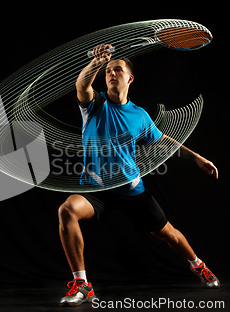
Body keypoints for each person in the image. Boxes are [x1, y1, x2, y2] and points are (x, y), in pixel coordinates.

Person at [58, 44, 220, 307]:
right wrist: (97, 62)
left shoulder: (140, 115)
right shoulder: (95, 105)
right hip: (98, 188)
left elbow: (164, 142)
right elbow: (81, 85)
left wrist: (198, 159)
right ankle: (83, 284)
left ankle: (198, 265)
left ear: (129, 78)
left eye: (117, 69)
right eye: (108, 70)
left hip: (131, 189)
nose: (111, 73)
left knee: (168, 233)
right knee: (67, 210)